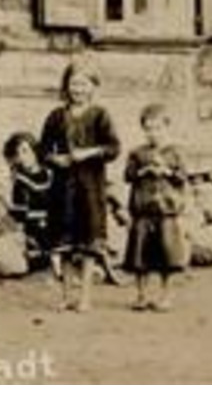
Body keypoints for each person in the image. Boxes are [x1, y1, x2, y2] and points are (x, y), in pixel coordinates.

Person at [40, 60, 121, 312]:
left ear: (93, 87)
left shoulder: (100, 115)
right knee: (64, 246)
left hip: (89, 190)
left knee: (87, 245)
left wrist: (88, 153)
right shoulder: (56, 116)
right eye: (73, 83)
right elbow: (42, 149)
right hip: (63, 191)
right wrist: (56, 159)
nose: (78, 89)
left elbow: (113, 148)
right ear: (66, 86)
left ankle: (85, 297)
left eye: (84, 84)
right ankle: (65, 296)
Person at [121, 103, 189, 312]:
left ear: (167, 128)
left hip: (166, 212)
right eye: (148, 128)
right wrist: (143, 171)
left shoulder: (175, 152)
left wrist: (166, 171)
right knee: (140, 255)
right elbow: (127, 176)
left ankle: (165, 296)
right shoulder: (137, 153)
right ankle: (141, 295)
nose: (153, 133)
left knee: (165, 255)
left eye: (158, 128)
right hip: (143, 211)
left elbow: (183, 177)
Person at [3, 131, 58, 275]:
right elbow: (21, 214)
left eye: (25, 151)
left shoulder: (50, 174)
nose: (22, 157)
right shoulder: (20, 182)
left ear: (35, 150)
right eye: (18, 153)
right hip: (34, 228)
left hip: (55, 221)